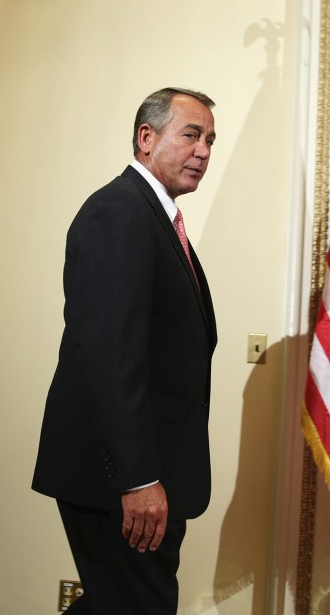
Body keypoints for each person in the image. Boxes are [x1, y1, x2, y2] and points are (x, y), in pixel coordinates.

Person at [32, 87, 219, 613]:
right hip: (120, 480)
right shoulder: (118, 212)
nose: (204, 150)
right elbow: (111, 356)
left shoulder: (153, 218)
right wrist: (138, 477)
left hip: (147, 474)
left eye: (210, 140)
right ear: (146, 138)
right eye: (190, 135)